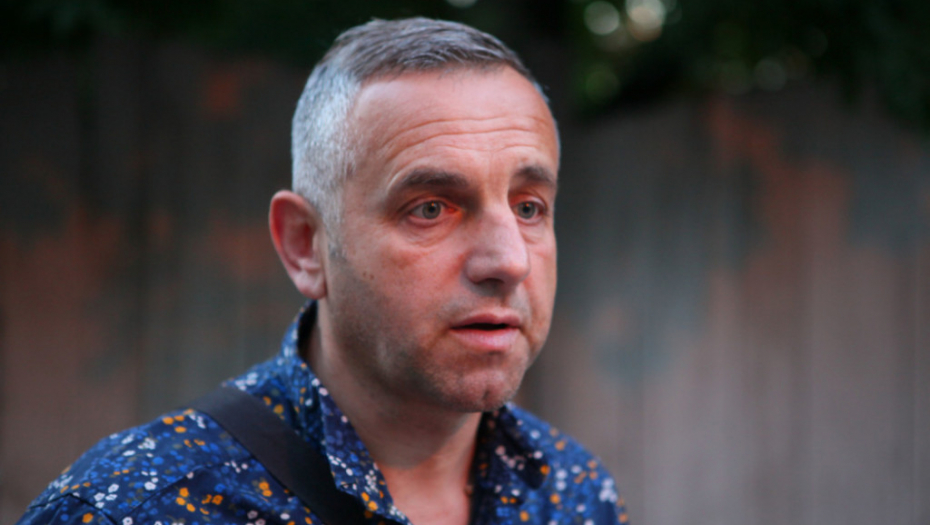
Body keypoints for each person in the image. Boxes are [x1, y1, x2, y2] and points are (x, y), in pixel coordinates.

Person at [18, 18, 629, 525]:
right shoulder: (134, 509)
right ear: (306, 245)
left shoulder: (573, 494)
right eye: (430, 208)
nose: (509, 261)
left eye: (529, 207)